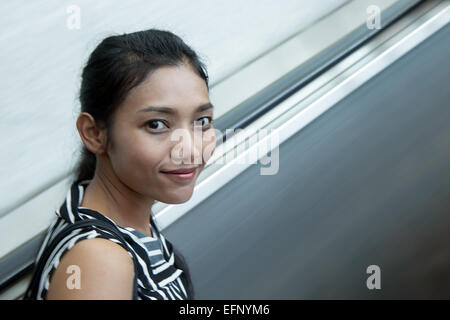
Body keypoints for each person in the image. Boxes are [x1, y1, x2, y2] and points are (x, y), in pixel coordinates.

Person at [24, 28, 216, 300]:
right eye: (156, 124)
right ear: (94, 133)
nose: (191, 150)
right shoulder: (99, 261)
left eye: (202, 121)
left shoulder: (112, 217)